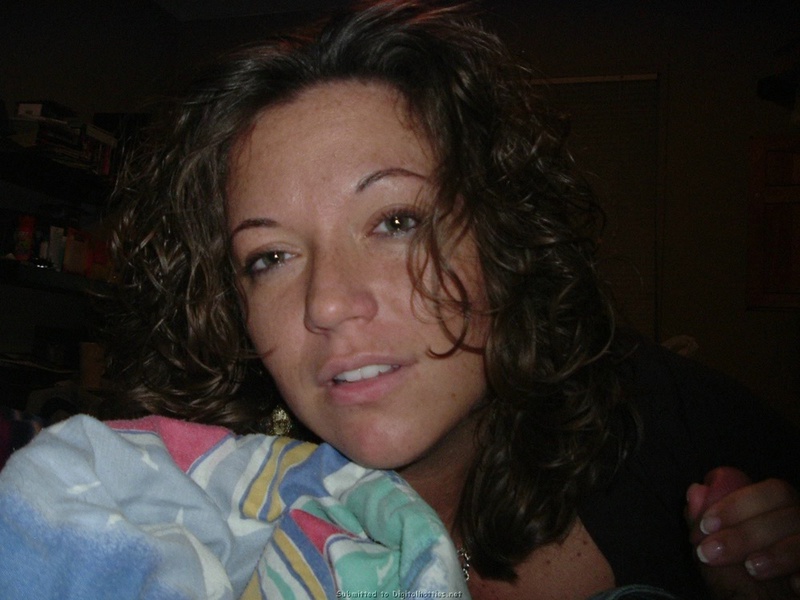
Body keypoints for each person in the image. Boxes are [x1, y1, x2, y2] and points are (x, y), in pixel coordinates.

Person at [17, 1, 800, 598]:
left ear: (501, 237)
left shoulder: (667, 423)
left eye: (395, 222)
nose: (328, 303)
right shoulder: (172, 527)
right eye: (271, 257)